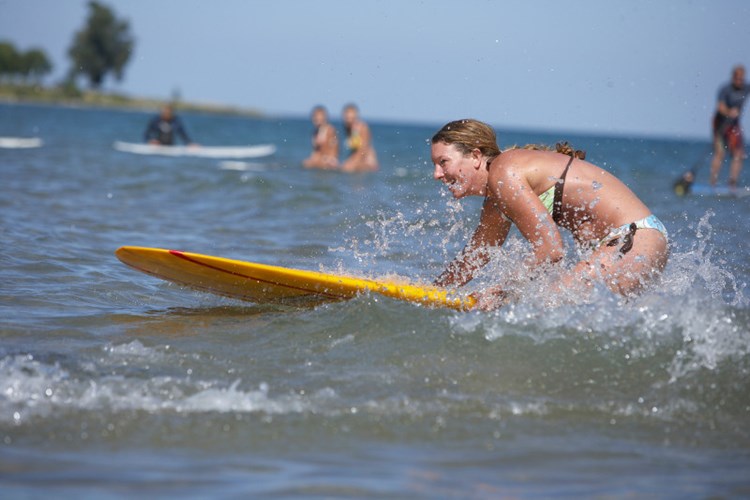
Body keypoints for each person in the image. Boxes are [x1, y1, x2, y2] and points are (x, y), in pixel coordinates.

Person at [430, 119, 669, 310]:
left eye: (443, 162)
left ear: (475, 156)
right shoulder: (495, 200)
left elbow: (550, 251)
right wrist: (431, 292)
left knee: (549, 306)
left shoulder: (504, 171)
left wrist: (500, 292)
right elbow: (475, 257)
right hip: (631, 242)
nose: (437, 174)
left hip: (632, 237)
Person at [709, 65, 750, 187]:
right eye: (737, 78)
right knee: (720, 153)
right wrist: (729, 112)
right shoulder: (725, 89)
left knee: (738, 154)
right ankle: (713, 182)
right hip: (720, 125)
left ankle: (732, 183)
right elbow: (719, 107)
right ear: (733, 77)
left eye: (742, 79)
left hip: (734, 126)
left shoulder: (746, 88)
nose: (740, 81)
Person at [341, 103, 378, 172]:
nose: (348, 121)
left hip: (368, 162)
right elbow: (355, 150)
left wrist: (351, 163)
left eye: (351, 118)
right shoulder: (348, 129)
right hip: (358, 160)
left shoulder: (362, 127)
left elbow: (363, 149)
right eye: (347, 118)